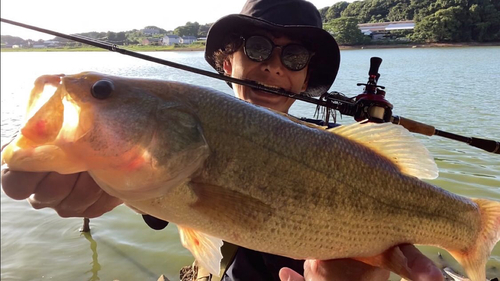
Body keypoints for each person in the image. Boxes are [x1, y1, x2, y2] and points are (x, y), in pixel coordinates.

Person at [1, 0, 444, 280]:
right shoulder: (188, 136)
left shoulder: (349, 155)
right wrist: (108, 178)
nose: (273, 66)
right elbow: (164, 191)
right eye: (255, 48)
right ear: (226, 63)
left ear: (307, 76)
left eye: (293, 56)